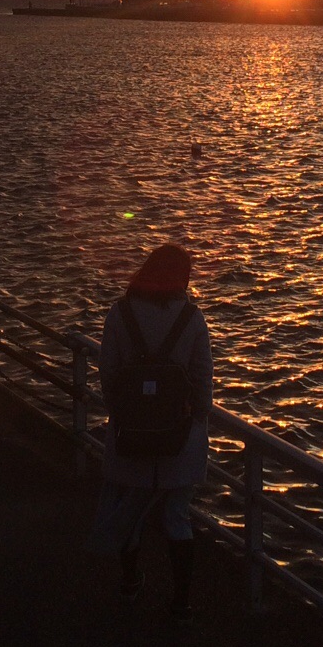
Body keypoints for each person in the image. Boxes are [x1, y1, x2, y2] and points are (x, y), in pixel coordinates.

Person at [89, 243, 212, 618]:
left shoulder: (120, 313)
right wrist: (195, 419)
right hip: (179, 440)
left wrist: (124, 414)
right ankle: (181, 600)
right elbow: (203, 384)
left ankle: (130, 583)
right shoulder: (192, 319)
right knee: (177, 516)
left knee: (129, 509)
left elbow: (108, 374)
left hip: (131, 435)